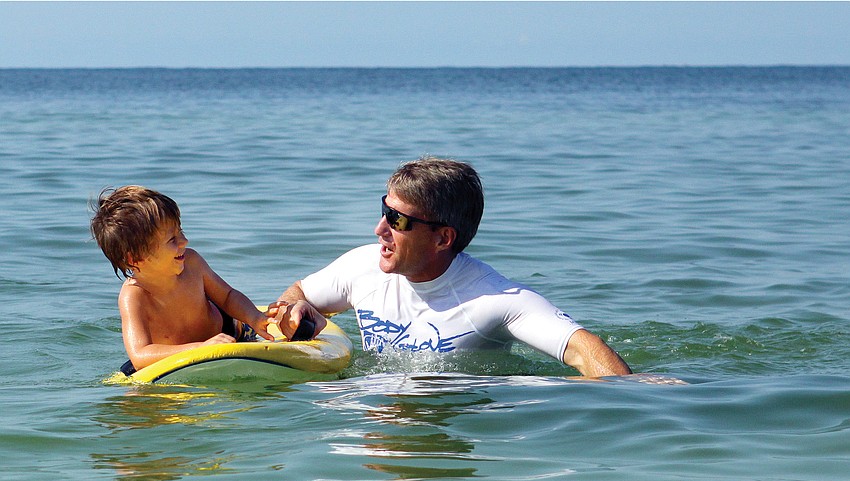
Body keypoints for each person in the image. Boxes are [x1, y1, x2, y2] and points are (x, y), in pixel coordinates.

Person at [272, 157, 631, 378]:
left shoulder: (494, 299)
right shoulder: (361, 266)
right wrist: (296, 309)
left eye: (397, 220)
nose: (379, 229)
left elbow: (589, 353)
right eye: (384, 210)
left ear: (443, 238)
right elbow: (299, 292)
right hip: (377, 420)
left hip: (456, 418)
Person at [90, 185, 276, 373]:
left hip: (227, 333)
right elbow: (139, 355)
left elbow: (227, 296)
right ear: (135, 258)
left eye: (181, 231)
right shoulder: (134, 295)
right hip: (180, 352)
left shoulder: (192, 263)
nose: (184, 241)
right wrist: (200, 348)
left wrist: (254, 316)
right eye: (172, 239)